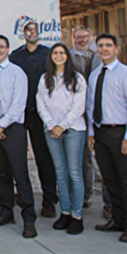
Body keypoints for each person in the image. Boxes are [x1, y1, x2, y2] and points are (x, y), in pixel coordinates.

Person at [87, 34, 127, 243]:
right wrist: (91, 133)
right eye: (101, 46)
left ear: (116, 49)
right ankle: (117, 220)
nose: (104, 49)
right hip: (101, 133)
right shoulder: (95, 75)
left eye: (108, 46)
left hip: (121, 133)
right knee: (110, 180)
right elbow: (90, 106)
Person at [0, 35, 37, 238]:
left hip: (13, 128)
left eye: (2, 47)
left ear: (8, 49)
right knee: (0, 172)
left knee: (20, 174)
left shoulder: (17, 73)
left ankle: (29, 218)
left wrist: (2, 125)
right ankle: (5, 211)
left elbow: (18, 105)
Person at [36, 43, 87, 235]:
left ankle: (76, 215)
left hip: (73, 129)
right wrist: (51, 125)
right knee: (60, 172)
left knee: (74, 172)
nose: (58, 56)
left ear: (67, 56)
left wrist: (62, 125)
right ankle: (64, 212)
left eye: (62, 53)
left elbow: (78, 107)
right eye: (55, 53)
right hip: (51, 130)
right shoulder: (45, 79)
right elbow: (40, 103)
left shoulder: (77, 79)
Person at [10, 21, 58, 219]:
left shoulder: (48, 54)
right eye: (27, 30)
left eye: (34, 30)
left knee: (44, 159)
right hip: (20, 114)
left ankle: (49, 200)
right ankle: (22, 195)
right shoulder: (15, 56)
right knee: (18, 158)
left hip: (42, 114)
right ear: (23, 33)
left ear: (39, 32)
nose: (31, 33)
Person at [71, 26, 104, 214]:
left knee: (100, 157)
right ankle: (83, 195)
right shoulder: (68, 56)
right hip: (77, 114)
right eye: (78, 37)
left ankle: (104, 200)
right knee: (82, 157)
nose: (81, 40)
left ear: (90, 37)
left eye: (84, 37)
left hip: (98, 112)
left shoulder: (99, 56)